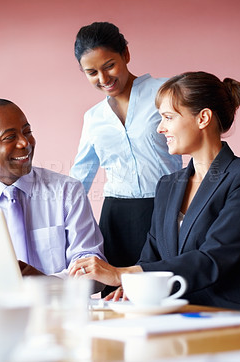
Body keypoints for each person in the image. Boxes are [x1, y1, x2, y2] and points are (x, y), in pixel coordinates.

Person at [70, 71, 240, 310]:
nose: (160, 128)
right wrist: (134, 285)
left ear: (203, 118)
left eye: (168, 117)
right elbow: (150, 257)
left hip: (227, 313)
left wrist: (122, 274)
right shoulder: (168, 185)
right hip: (173, 312)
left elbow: (212, 260)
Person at [0, 98, 106, 280]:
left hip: (57, 307)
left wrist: (47, 284)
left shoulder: (67, 192)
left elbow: (94, 271)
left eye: (27, 132)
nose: (24, 143)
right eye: (10, 137)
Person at [70, 22, 182, 279]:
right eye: (91, 72)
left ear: (126, 55)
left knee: (165, 289)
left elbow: (203, 143)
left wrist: (233, 198)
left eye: (109, 65)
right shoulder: (93, 117)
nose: (103, 79)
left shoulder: (166, 92)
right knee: (116, 300)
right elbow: (79, 179)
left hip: (165, 208)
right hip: (116, 218)